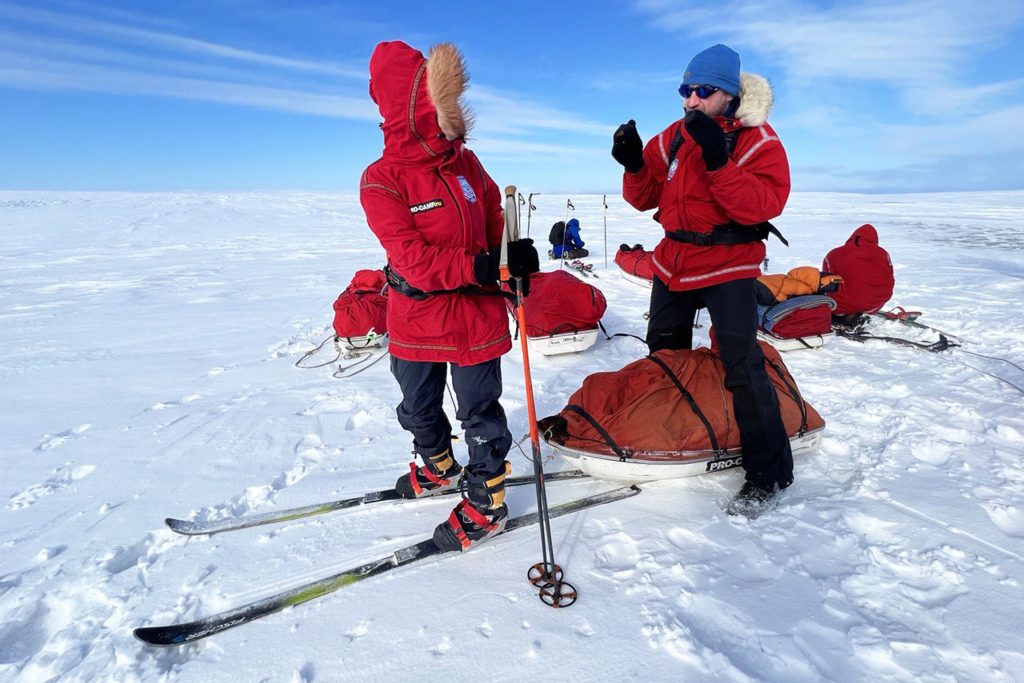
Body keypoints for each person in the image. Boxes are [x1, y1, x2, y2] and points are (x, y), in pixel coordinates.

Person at [359, 41, 540, 551]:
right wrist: (481, 265)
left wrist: (511, 255)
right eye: (440, 105)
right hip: (417, 314)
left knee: (481, 414)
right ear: (413, 106)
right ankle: (438, 467)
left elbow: (491, 218)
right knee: (417, 407)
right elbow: (411, 257)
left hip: (476, 313)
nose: (450, 117)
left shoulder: (467, 164)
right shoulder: (382, 180)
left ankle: (486, 498)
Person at [610, 44, 794, 518]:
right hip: (674, 259)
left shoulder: (759, 142)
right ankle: (671, 433)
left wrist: (718, 161)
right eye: (685, 90)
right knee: (663, 353)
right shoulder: (672, 136)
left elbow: (760, 206)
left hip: (729, 261)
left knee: (741, 363)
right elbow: (643, 196)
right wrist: (633, 165)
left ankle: (770, 472)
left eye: (703, 91)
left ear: (728, 95)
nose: (690, 100)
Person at [822, 224, 894, 319]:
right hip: (874, 304)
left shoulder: (833, 254)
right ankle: (862, 308)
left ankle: (845, 311)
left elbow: (826, 282)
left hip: (840, 306)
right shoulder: (882, 254)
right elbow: (889, 279)